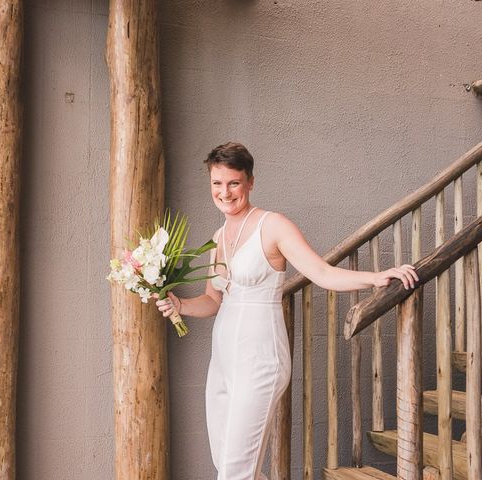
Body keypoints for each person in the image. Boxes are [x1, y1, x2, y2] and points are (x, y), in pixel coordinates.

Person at [155, 142, 418, 480]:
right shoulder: (218, 236)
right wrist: (180, 305)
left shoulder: (273, 225)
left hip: (261, 358)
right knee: (226, 462)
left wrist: (377, 277)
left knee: (236, 472)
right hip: (222, 360)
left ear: (250, 182)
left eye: (233, 183)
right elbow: (214, 299)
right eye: (217, 183)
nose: (225, 192)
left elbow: (321, 273)